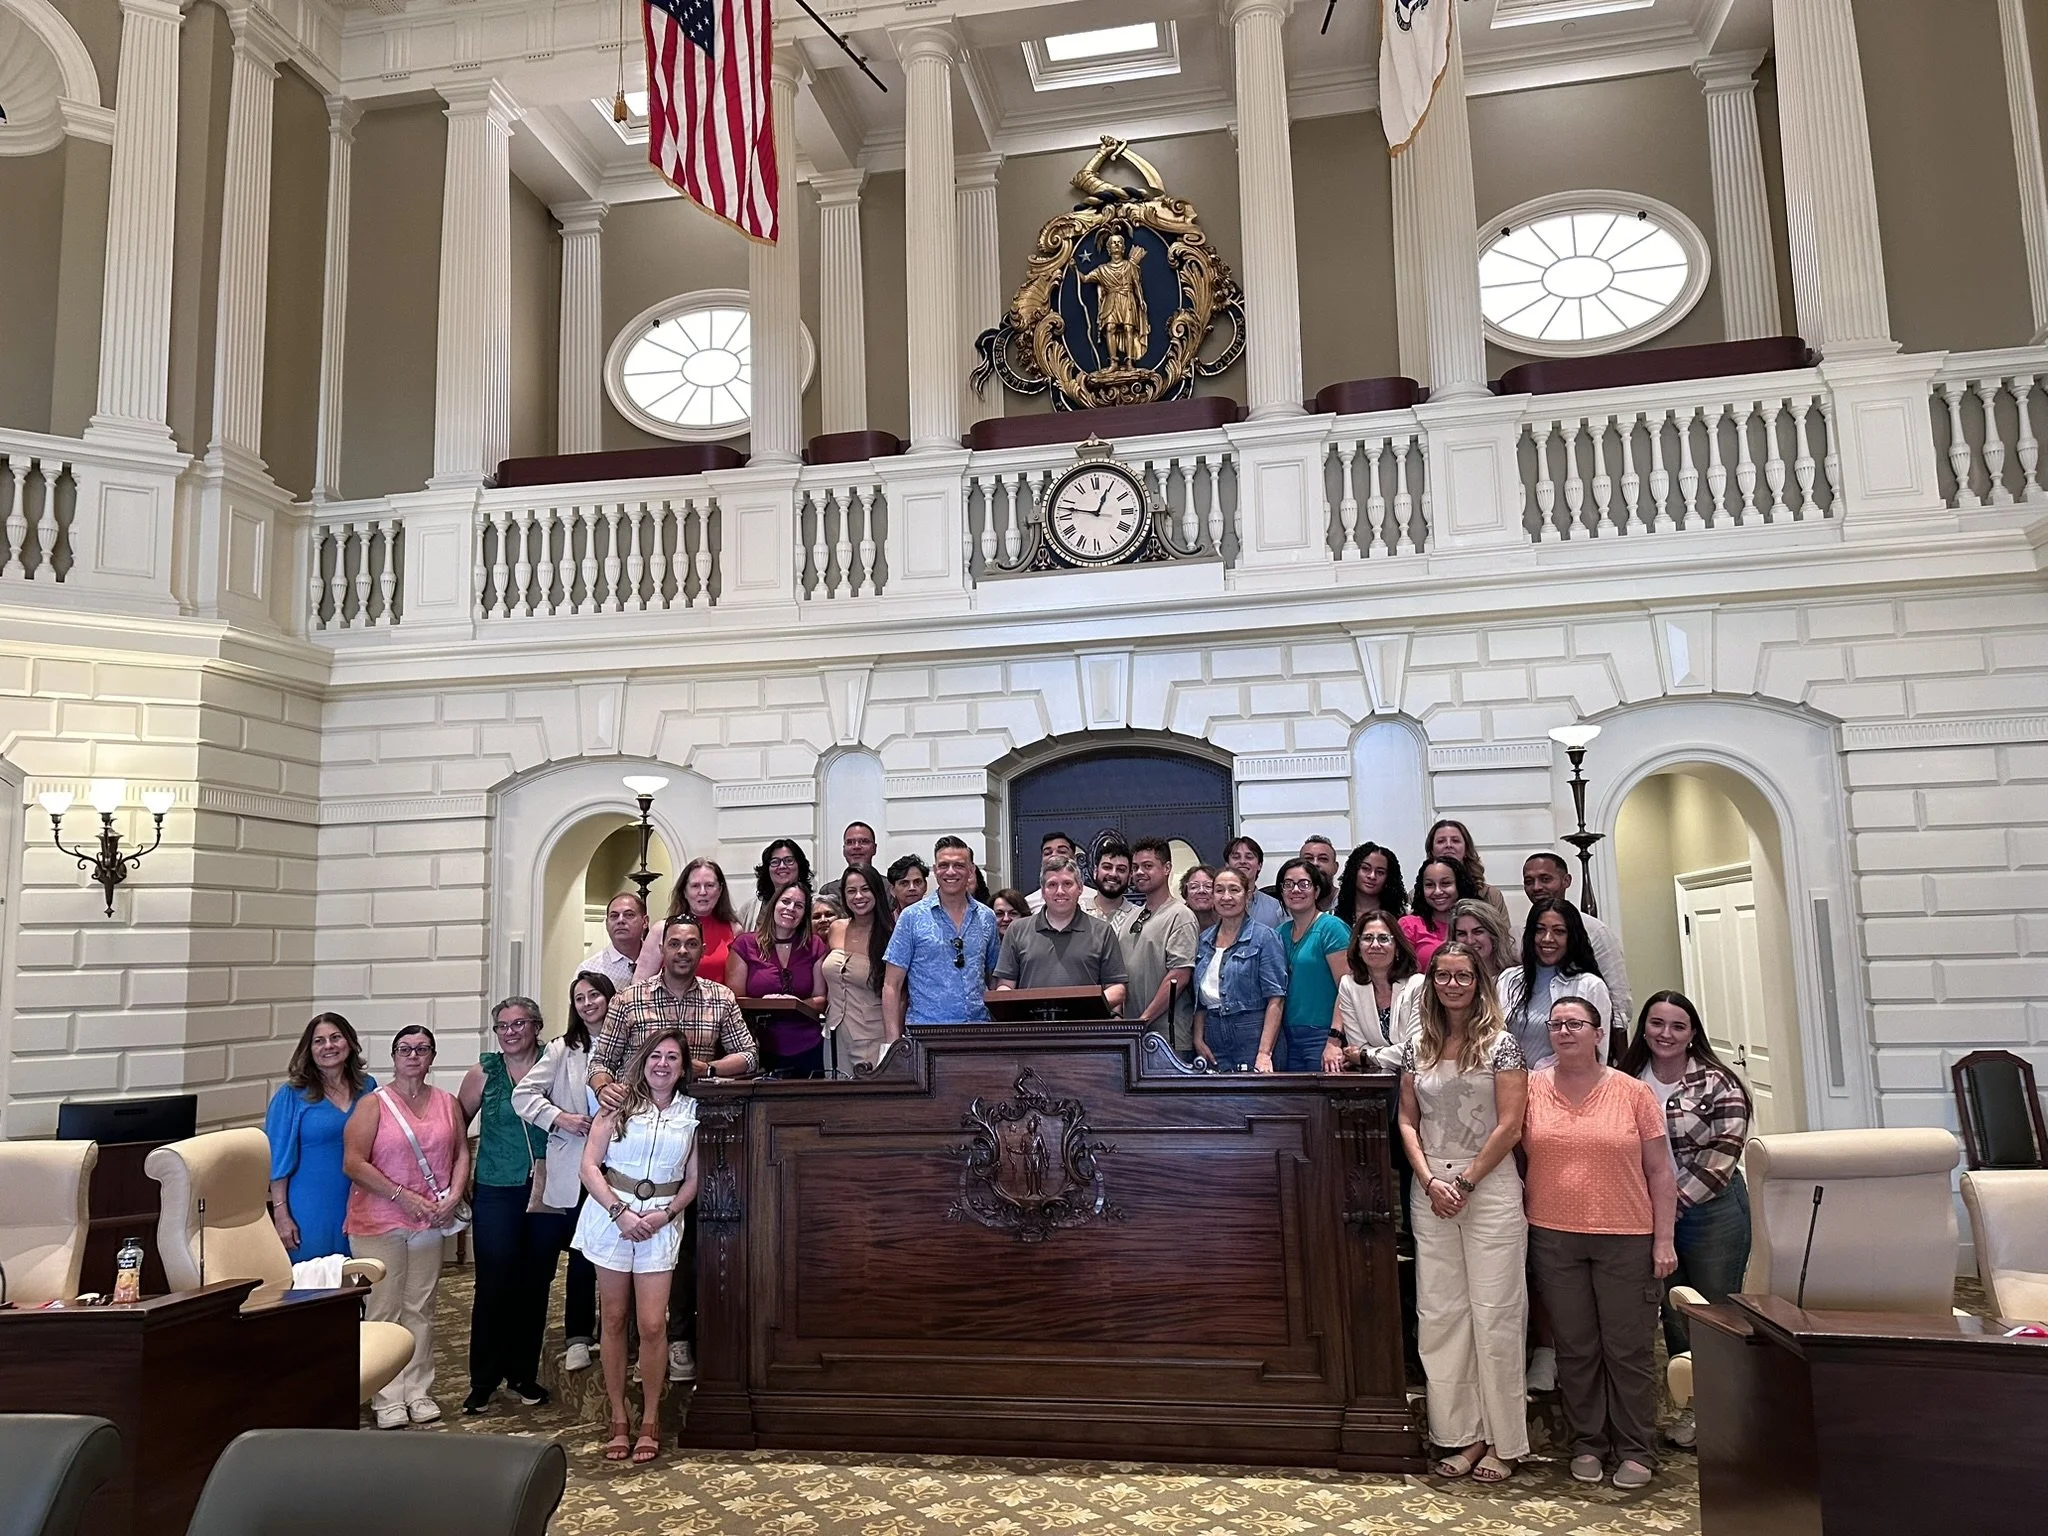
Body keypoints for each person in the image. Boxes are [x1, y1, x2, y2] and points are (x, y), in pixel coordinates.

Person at [590, 915, 757, 1385]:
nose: (682, 951)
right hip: (635, 1134)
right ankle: (636, 1336)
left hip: (697, 1130)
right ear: (660, 948)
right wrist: (605, 1088)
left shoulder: (719, 997)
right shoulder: (630, 1000)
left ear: (702, 950)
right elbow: (601, 1061)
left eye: (691, 944)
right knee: (629, 1240)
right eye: (674, 944)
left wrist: (705, 1068)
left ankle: (685, 1334)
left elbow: (749, 1056)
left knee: (694, 1237)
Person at [1522, 995, 1678, 1490]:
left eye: (1576, 1024)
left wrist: (1663, 1240)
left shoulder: (1633, 1093)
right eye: (1557, 1024)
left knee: (1627, 1349)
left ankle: (1636, 1448)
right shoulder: (1529, 1090)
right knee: (1576, 1348)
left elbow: (1660, 1172)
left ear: (1598, 1032)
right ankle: (1588, 1442)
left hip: (1627, 1237)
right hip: (1553, 1236)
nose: (1565, 1031)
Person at [1397, 942, 1530, 1483]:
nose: (1453, 985)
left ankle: (1505, 1440)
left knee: (1495, 1313)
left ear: (1479, 982)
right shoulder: (1416, 1045)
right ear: (1431, 983)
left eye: (1463, 976)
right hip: (1430, 1189)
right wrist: (1430, 1180)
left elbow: (1511, 1125)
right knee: (1441, 1314)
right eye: (1443, 976)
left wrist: (1466, 1181)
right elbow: (1407, 1121)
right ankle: (1462, 1436)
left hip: (1489, 1186)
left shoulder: (1502, 1045)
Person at [1616, 990, 1753, 1448]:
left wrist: (1668, 1205)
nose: (1666, 1034)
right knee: (1675, 1311)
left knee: (1716, 1310)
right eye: (1657, 1024)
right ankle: (1693, 1407)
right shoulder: (1626, 1079)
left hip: (1711, 1212)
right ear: (1644, 1028)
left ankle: (1730, 1411)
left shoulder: (1720, 1083)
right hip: (1647, 1214)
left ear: (1693, 1033)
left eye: (1677, 1026)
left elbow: (1723, 1155)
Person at [573, 1027, 700, 1466]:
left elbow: (694, 1180)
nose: (662, 1064)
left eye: (672, 1058)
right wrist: (619, 1212)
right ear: (643, 1061)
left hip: (661, 1222)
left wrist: (664, 1216)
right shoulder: (618, 1104)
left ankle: (650, 1418)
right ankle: (618, 1416)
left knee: (651, 1324)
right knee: (613, 1318)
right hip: (613, 1217)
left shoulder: (692, 1111)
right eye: (655, 1057)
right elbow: (589, 1166)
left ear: (683, 1068)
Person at [342, 1025, 469, 1430]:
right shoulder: (373, 1105)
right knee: (384, 1309)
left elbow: (462, 1151)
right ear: (393, 1057)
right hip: (379, 1221)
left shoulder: (447, 1102)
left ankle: (418, 1390)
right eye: (405, 1049)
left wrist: (454, 1195)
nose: (413, 1056)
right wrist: (402, 1196)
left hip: (430, 1219)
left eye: (422, 1049)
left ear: (432, 1056)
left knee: (421, 1308)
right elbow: (354, 1163)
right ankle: (387, 1394)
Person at [457, 998, 553, 1416]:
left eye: (519, 1024)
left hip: (549, 1188)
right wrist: (458, 1181)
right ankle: (483, 1380)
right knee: (494, 1283)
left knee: (535, 1284)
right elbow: (456, 1127)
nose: (510, 1031)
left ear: (536, 1026)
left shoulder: (558, 1064)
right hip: (496, 1186)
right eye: (502, 1026)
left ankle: (522, 1374)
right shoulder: (484, 1072)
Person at [512, 972, 604, 1375]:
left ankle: (624, 1334)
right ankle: (578, 1337)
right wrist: (560, 1118)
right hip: (578, 1165)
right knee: (582, 1255)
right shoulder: (563, 1049)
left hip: (626, 1166)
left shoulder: (635, 1043)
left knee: (630, 1256)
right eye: (579, 998)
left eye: (594, 995)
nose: (587, 1003)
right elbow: (523, 1095)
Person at [266, 1013, 376, 1264]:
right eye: (319, 1041)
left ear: (349, 1042)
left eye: (336, 1038)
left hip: (361, 1200)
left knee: (359, 1278)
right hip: (310, 1205)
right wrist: (281, 1214)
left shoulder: (368, 1087)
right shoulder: (291, 1095)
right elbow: (277, 1160)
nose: (329, 1046)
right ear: (309, 1049)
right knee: (313, 1282)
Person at [883, 837, 1002, 1034]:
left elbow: (993, 978)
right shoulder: (912, 917)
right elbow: (891, 985)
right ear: (934, 870)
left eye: (959, 865)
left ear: (971, 870)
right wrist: (892, 1043)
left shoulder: (987, 917)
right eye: (944, 865)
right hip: (925, 1033)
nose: (951, 872)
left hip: (979, 1030)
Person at [993, 855, 1128, 1009]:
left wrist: (1084, 1008)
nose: (1060, 891)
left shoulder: (1103, 931)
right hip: (1033, 1029)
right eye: (1052, 885)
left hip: (1086, 1029)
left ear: (1080, 888)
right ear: (1043, 891)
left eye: (1067, 884)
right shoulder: (1017, 930)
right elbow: (1005, 987)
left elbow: (1117, 989)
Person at [1523, 853, 1633, 1041]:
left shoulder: (1595, 931)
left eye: (1545, 879)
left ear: (1566, 880)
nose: (1536, 887)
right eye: (1529, 881)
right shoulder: (1523, 932)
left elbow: (1618, 998)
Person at [1190, 867, 1290, 1071]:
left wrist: (1264, 1053)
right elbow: (1199, 1002)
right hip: (1212, 1034)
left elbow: (1276, 1000)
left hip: (1252, 1033)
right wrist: (1198, 1039)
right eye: (1219, 890)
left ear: (1247, 895)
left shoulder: (1265, 937)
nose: (1226, 897)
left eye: (1234, 890)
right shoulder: (1203, 940)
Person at [727, 883, 829, 1077]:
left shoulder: (814, 945)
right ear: (774, 904)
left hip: (808, 1045)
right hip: (760, 1045)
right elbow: (734, 999)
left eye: (799, 906)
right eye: (786, 901)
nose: (791, 909)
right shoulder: (745, 945)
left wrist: (795, 1004)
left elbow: (821, 999)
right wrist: (767, 1003)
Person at [1499, 897, 1613, 1068]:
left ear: (1572, 937)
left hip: (1565, 1089)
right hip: (1509, 1085)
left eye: (1559, 931)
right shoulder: (1509, 979)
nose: (1547, 938)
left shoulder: (1590, 986)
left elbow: (1599, 1055)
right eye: (1540, 930)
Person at [1122, 837, 1198, 1053]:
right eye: (1135, 867)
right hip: (1132, 1035)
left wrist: (1144, 1020)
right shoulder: (1131, 917)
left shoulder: (1180, 915)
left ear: (1166, 868)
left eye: (1147, 866)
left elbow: (1180, 976)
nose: (1139, 872)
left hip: (1167, 1038)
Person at [1275, 856, 1350, 1072]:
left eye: (1304, 884)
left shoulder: (1331, 928)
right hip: (1287, 1038)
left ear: (1316, 891)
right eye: (1288, 884)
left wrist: (1334, 1040)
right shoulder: (1279, 933)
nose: (1295, 890)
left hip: (1323, 1035)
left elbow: (1347, 989)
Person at [1323, 912, 1422, 1073]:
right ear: (1359, 948)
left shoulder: (1418, 985)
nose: (1375, 945)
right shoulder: (1349, 986)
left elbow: (1415, 1050)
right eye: (1367, 938)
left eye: (1383, 939)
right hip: (1375, 1080)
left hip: (1417, 1078)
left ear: (1397, 948)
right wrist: (1365, 1056)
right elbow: (1358, 1046)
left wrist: (1366, 1056)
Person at [823, 864, 894, 1075]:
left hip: (873, 1034)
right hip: (834, 1033)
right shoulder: (836, 928)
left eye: (865, 889)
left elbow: (898, 991)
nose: (858, 896)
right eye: (851, 891)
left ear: (877, 892)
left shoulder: (890, 934)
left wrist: (893, 1043)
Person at [637, 858, 738, 984]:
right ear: (684, 891)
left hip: (719, 1002)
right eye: (695, 886)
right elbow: (640, 983)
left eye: (709, 885)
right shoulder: (662, 930)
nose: (703, 892)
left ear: (720, 889)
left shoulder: (734, 930)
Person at [1401, 857, 1478, 970]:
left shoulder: (1477, 923)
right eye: (1429, 885)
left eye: (1445, 883)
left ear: (1459, 885)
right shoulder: (1409, 925)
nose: (1437, 891)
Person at [1427, 819, 1509, 914]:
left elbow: (1502, 928)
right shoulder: (1417, 895)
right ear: (1432, 851)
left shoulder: (1490, 894)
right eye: (1441, 841)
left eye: (1455, 841)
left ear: (1466, 849)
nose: (1448, 845)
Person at [579, 892, 649, 989]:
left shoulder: (662, 962)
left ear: (645, 922)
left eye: (629, 915)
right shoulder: (590, 969)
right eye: (614, 916)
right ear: (607, 924)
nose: (620, 920)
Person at [739, 838, 813, 930]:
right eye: (775, 862)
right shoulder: (750, 908)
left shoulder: (815, 905)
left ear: (799, 866)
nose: (782, 866)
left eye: (789, 860)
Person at [1335, 842, 1408, 927]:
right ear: (1353, 871)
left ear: (1389, 878)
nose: (1372, 876)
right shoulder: (1333, 916)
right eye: (1365, 868)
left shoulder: (1403, 917)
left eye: (1380, 872)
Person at [1223, 835, 1287, 928]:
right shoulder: (1217, 904)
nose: (1242, 861)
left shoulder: (1276, 907)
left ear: (1259, 865)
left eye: (1249, 857)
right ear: (1227, 864)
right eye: (1236, 857)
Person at [1026, 831, 1099, 911]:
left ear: (1074, 858)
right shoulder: (1029, 903)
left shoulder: (1094, 898)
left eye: (1062, 852)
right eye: (1047, 853)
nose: (1054, 855)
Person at [1448, 898, 1515, 983]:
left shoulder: (1514, 980)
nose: (1470, 941)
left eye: (1478, 932)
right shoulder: (1448, 982)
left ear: (1494, 935)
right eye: (1462, 934)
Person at [817, 822, 878, 903]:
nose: (856, 847)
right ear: (844, 850)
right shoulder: (829, 891)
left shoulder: (889, 888)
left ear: (874, 848)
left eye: (864, 841)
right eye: (850, 842)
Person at [1088, 840, 1138, 934]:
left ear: (1130, 876)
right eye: (1107, 867)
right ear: (1095, 871)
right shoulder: (1077, 911)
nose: (1113, 874)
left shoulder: (1137, 916)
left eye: (1121, 869)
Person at [1296, 836, 1341, 911]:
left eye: (1323, 858)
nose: (1315, 863)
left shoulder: (1350, 902)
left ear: (1335, 867)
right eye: (1308, 858)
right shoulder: (1287, 907)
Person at [1178, 864, 1218, 930]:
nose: (1201, 891)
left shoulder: (1227, 921)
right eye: (1194, 887)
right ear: (1185, 893)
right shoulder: (1176, 920)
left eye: (1208, 886)